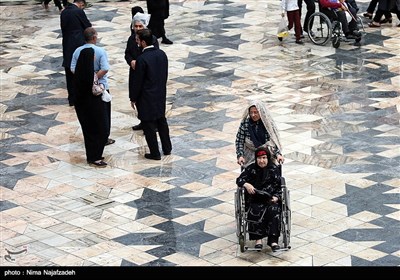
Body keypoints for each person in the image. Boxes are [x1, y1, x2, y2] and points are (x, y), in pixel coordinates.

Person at [130, 29, 172, 160]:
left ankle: (155, 152)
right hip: (160, 93)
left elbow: (138, 81)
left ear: (143, 42)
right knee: (161, 120)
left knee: (148, 124)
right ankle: (167, 148)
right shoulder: (162, 54)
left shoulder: (142, 59)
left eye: (137, 40)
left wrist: (133, 97)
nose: (136, 42)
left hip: (146, 96)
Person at [71, 27, 115, 147]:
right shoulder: (100, 51)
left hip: (84, 88)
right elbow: (105, 68)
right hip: (101, 87)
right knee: (104, 114)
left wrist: (85, 77)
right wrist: (94, 77)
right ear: (94, 37)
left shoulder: (77, 51)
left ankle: (93, 136)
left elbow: (73, 68)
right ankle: (104, 136)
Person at [236, 146, 283, 252]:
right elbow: (239, 180)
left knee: (274, 210)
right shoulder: (251, 169)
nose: (262, 161)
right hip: (255, 199)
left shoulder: (274, 169)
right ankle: (258, 239)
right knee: (255, 209)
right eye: (259, 158)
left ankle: (273, 240)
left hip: (270, 199)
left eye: (264, 158)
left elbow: (279, 187)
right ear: (256, 159)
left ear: (268, 158)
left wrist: (276, 197)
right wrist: (246, 184)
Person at [71, 47, 108, 167]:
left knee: (89, 132)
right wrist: (102, 87)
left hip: (83, 108)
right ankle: (95, 157)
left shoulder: (79, 74)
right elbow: (95, 90)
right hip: (93, 107)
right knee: (100, 130)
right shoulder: (90, 75)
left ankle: (93, 155)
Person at [125, 10, 159, 131]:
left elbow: (153, 55)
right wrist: (131, 61)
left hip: (147, 73)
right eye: (136, 26)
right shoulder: (131, 39)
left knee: (148, 98)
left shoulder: (152, 39)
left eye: (140, 26)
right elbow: (127, 53)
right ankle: (143, 120)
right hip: (135, 72)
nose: (138, 28)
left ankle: (152, 122)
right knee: (137, 96)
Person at [60, 0, 92, 106]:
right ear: (81, 4)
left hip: (67, 44)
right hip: (78, 44)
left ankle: (72, 98)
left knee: (69, 70)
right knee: (81, 70)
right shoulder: (78, 12)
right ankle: (82, 97)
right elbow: (87, 26)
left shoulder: (64, 12)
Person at [235, 100, 284, 169]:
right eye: (251, 112)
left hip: (266, 154)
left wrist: (278, 155)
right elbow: (239, 141)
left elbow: (273, 141)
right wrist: (240, 156)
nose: (253, 115)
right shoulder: (245, 123)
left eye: (256, 112)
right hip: (250, 155)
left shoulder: (268, 124)